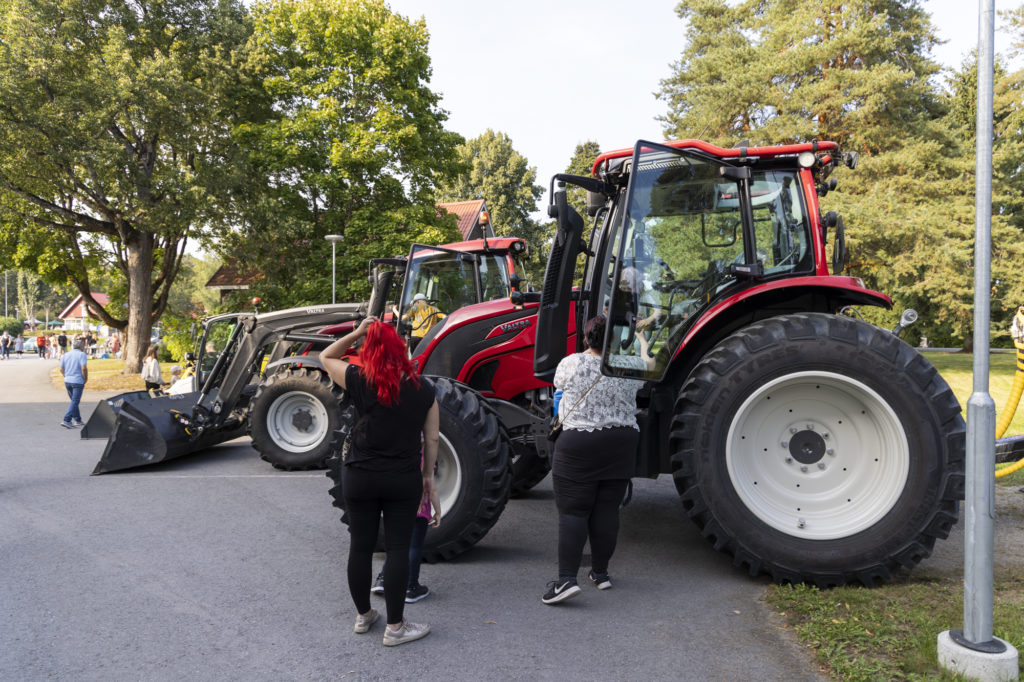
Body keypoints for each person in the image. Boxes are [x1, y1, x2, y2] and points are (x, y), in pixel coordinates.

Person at [320, 316, 440, 647]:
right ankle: (396, 628)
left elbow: (326, 357)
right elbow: (431, 441)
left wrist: (356, 332)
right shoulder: (424, 389)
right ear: (401, 351)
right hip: (402, 480)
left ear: (370, 351)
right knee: (398, 549)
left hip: (359, 476)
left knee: (360, 547)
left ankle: (363, 616)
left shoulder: (359, 379)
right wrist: (428, 477)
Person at [541, 314, 653, 605]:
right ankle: (600, 574)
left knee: (574, 513)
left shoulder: (571, 362)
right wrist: (641, 338)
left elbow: (558, 386)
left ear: (586, 337)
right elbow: (650, 366)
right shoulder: (627, 365)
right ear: (614, 340)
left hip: (579, 442)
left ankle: (566, 580)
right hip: (622, 442)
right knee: (607, 510)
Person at [59, 338, 88, 428]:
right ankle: (67, 419)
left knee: (73, 401)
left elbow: (61, 369)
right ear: (81, 347)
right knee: (75, 401)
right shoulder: (81, 354)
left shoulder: (66, 354)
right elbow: (83, 368)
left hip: (67, 380)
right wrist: (85, 378)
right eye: (83, 346)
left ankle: (77, 419)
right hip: (77, 380)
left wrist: (65, 375)